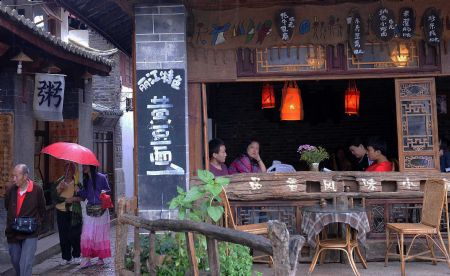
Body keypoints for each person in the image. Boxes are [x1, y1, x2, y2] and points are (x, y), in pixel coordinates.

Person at [5, 164, 46, 276]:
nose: (14, 179)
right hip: (13, 231)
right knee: (15, 260)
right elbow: (7, 206)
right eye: (13, 176)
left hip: (30, 232)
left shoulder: (37, 189)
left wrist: (38, 224)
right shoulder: (10, 190)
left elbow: (42, 209)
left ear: (25, 176)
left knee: (25, 263)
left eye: (16, 176)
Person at [77, 165, 111, 268]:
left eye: (85, 166)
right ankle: (87, 258)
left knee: (100, 234)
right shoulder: (86, 180)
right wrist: (78, 190)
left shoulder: (101, 177)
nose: (84, 167)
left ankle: (100, 258)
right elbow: (86, 195)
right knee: (87, 234)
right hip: (91, 210)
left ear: (91, 167)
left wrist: (104, 192)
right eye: (83, 166)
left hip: (101, 210)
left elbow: (108, 190)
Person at [54, 163, 82, 265]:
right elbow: (54, 198)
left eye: (70, 170)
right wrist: (60, 189)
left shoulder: (77, 183)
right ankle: (66, 257)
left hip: (74, 213)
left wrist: (75, 197)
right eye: (66, 170)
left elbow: (82, 197)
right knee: (63, 235)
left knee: (74, 235)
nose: (67, 172)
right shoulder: (59, 182)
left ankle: (76, 255)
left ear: (73, 172)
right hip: (61, 212)